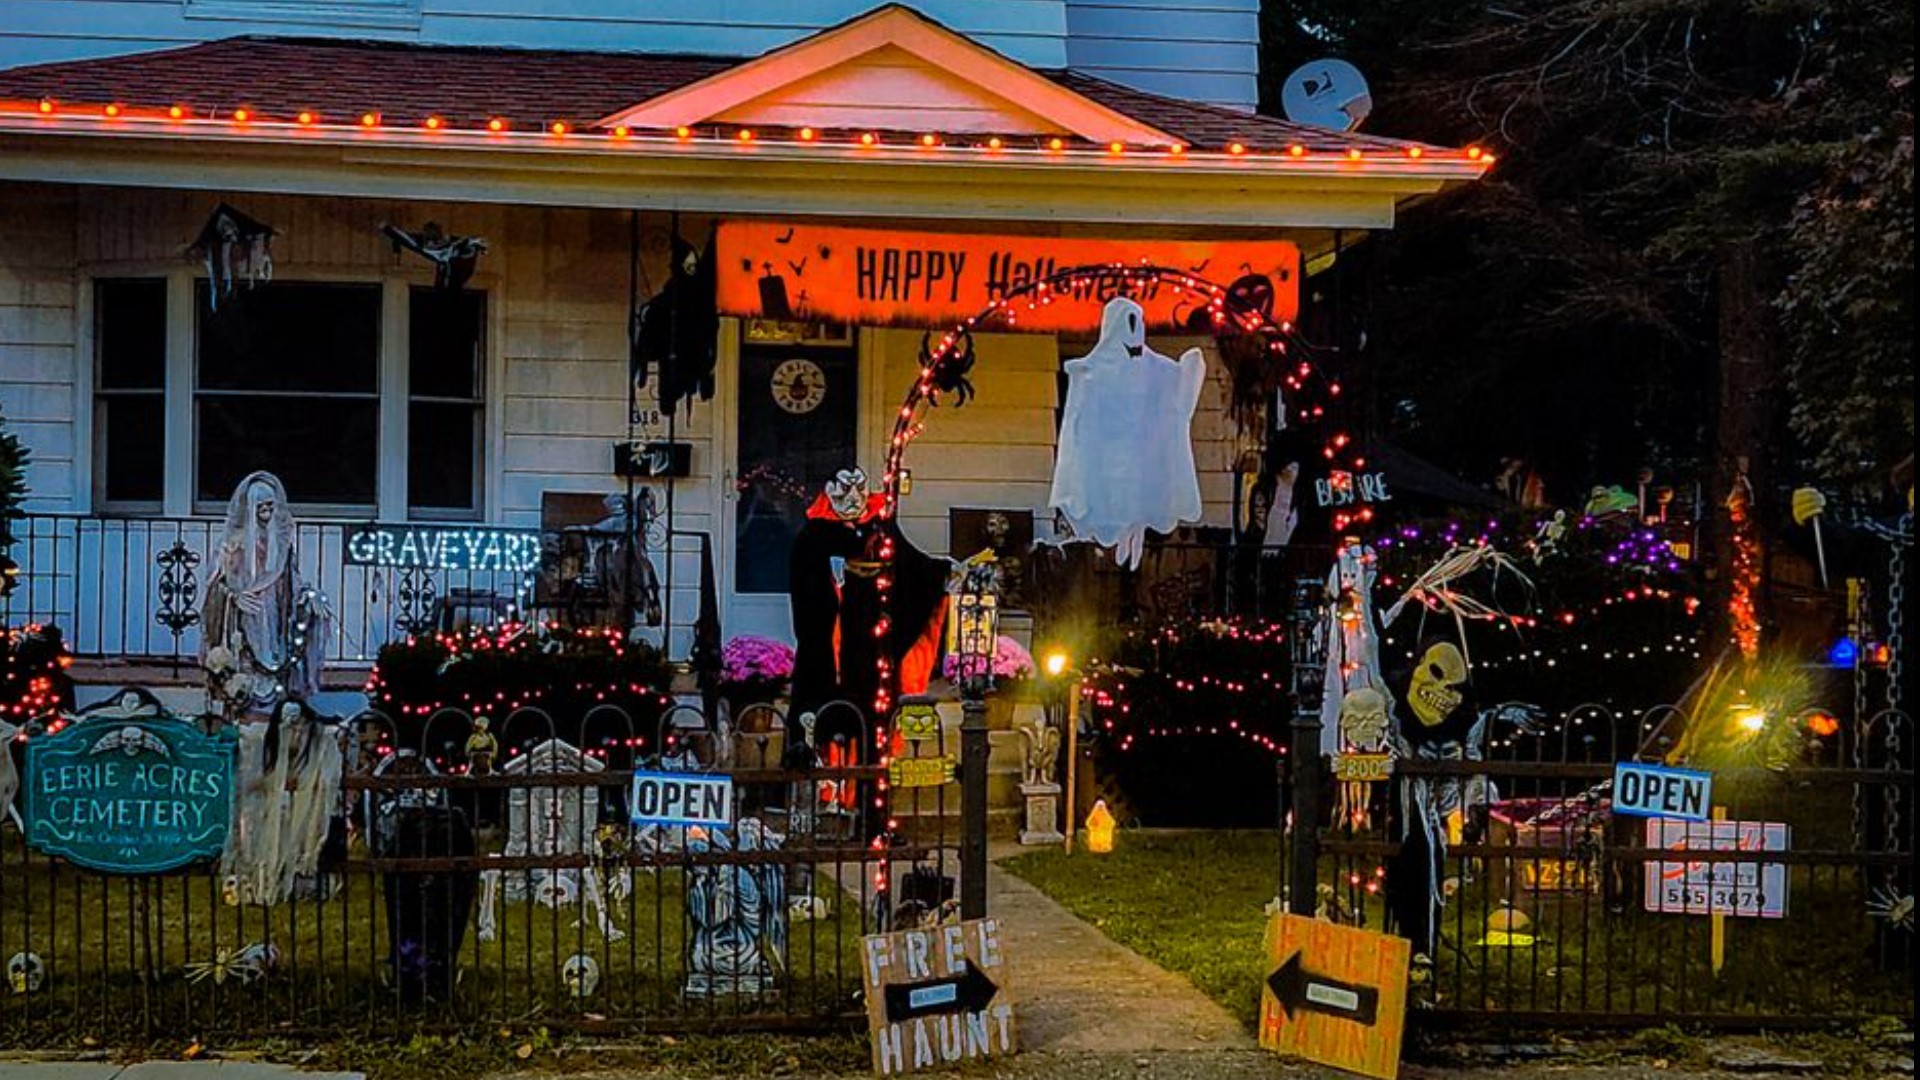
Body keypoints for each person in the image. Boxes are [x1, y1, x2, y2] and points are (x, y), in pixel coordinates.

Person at [200, 471, 331, 720]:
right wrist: (233, 597)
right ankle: (244, 706)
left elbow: (292, 578)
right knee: (246, 660)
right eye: (262, 508)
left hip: (274, 611)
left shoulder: (280, 544)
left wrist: (310, 596)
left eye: (272, 507)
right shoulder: (234, 542)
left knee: (276, 655)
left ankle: (275, 707)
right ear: (250, 508)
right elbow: (217, 583)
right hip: (244, 615)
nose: (268, 513)